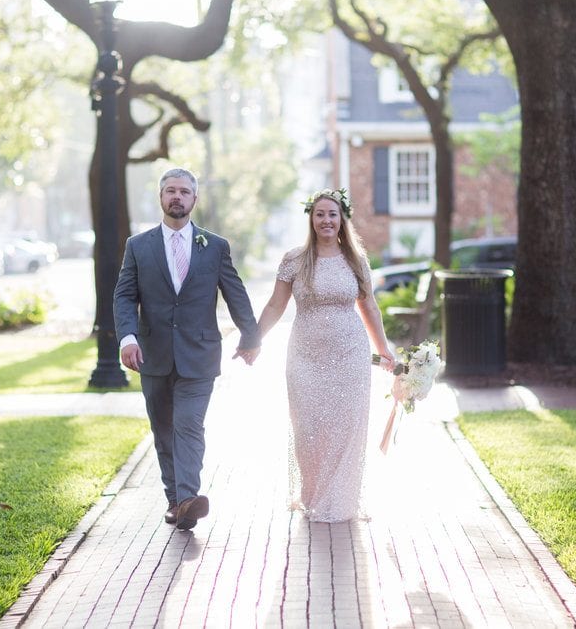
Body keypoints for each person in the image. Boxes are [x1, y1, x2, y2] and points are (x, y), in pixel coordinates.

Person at [114, 167, 261, 531]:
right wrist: (128, 338)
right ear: (161, 198)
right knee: (163, 430)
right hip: (153, 355)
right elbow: (124, 295)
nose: (176, 197)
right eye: (170, 191)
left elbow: (235, 292)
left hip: (199, 354)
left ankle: (188, 498)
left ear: (194, 199)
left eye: (183, 191)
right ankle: (176, 501)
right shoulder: (138, 246)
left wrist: (251, 336)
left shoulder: (215, 246)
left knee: (188, 424)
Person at [255, 188, 394, 522]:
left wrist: (384, 349)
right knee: (308, 428)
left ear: (342, 218)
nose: (326, 220)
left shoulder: (356, 261)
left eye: (332, 214)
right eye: (320, 214)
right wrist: (254, 338)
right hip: (305, 355)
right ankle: (312, 494)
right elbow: (276, 304)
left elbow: (369, 306)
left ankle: (343, 499)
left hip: (350, 356)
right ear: (311, 219)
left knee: (346, 427)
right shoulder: (294, 260)